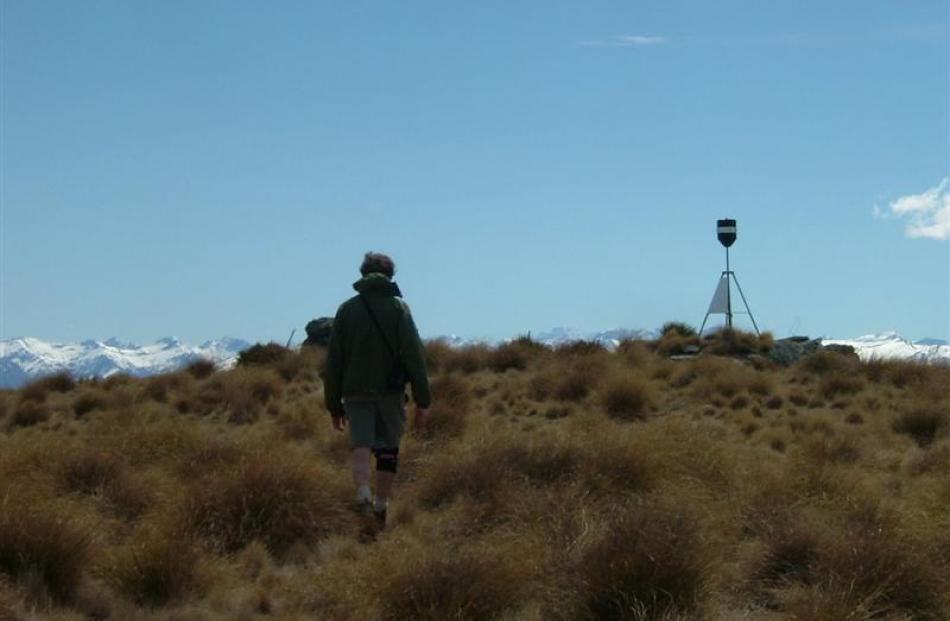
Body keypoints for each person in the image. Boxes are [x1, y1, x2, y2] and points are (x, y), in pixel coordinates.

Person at [323, 252, 431, 527]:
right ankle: (381, 506)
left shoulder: (347, 310)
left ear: (363, 275)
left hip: (355, 391)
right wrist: (423, 400)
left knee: (361, 445)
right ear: (390, 276)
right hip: (390, 392)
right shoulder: (398, 309)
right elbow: (414, 357)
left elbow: (334, 360)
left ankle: (362, 493)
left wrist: (333, 405)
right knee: (388, 450)